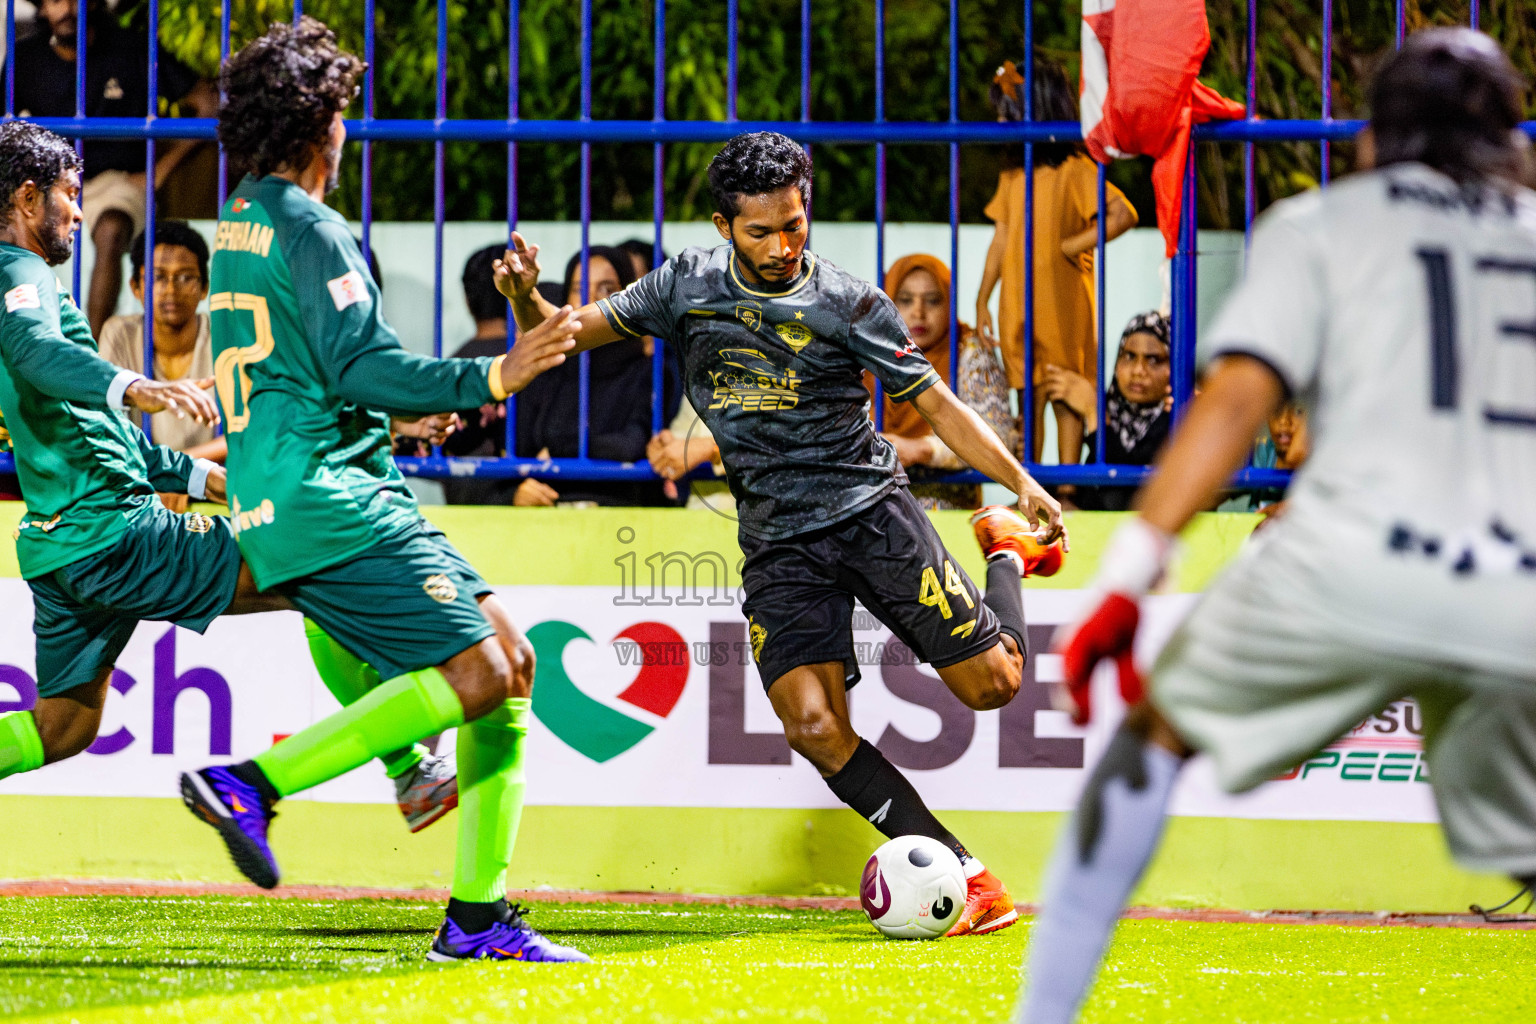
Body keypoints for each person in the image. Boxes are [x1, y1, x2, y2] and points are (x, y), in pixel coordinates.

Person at [1019, 30, 1536, 1023]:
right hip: (1517, 589)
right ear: (1510, 138)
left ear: (1375, 142)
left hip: (1349, 563)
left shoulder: (1323, 225)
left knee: (1146, 748)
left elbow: (1234, 400)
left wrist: (1129, 570)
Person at [497, 131, 1068, 937]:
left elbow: (938, 403)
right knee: (813, 727)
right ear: (725, 225)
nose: (781, 246)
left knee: (993, 686)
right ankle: (963, 873)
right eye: (761, 231)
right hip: (779, 542)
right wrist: (526, 299)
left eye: (795, 225)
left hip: (874, 516)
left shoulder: (849, 303)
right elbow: (563, 333)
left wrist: (1023, 483)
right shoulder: (685, 285)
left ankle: (1004, 547)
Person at [179, 18, 589, 963]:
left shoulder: (242, 214)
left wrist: (398, 414)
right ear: (323, 122)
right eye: (342, 111)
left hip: (290, 487)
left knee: (510, 672)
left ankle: (477, 918)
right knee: (485, 671)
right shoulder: (314, 228)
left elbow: (305, 370)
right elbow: (364, 361)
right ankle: (253, 783)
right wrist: (490, 374)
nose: (347, 128)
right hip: (334, 499)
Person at [0, 122, 460, 837]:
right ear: (27, 199)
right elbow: (35, 354)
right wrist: (133, 386)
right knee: (305, 563)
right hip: (114, 531)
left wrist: (196, 473)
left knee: (61, 728)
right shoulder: (19, 275)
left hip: (62, 545)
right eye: (67, 195)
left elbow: (83, 430)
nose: (80, 211)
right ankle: (409, 765)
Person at [11, 0, 220, 337]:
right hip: (52, 181)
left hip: (118, 181)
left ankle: (88, 350)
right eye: (54, 0)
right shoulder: (25, 57)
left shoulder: (131, 48)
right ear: (42, 9)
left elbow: (209, 104)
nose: (66, 9)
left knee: (111, 228)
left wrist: (159, 171)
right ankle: (25, 343)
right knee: (13, 235)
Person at [975, 58, 1137, 471]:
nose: (998, 120)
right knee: (1027, 397)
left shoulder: (1076, 169)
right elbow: (1001, 236)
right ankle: (1030, 482)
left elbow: (1123, 214)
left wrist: (1072, 245)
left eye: (1007, 112)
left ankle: (1068, 484)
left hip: (1064, 303)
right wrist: (982, 299)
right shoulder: (1012, 177)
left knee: (1064, 390)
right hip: (1019, 306)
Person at [505, 247, 672, 507]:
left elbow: (632, 446)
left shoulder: (651, 370)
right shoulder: (547, 368)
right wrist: (515, 495)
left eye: (607, 290)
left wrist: (556, 449)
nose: (591, 300)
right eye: (578, 288)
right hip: (546, 520)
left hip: (626, 519)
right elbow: (513, 453)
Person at [867, 253, 1017, 510]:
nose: (919, 312)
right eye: (905, 300)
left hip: (946, 507)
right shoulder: (868, 350)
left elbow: (997, 437)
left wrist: (921, 450)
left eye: (933, 301)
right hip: (872, 503)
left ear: (949, 303)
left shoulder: (968, 350)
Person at [99, 221, 224, 463]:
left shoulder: (222, 335)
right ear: (136, 286)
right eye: (158, 277)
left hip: (210, 480)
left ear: (204, 288)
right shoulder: (120, 334)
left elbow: (248, 430)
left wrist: (183, 472)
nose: (171, 289)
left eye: (186, 277)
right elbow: (107, 428)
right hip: (143, 481)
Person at [1037, 310, 1172, 511]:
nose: (1138, 370)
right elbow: (1088, 485)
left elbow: (1127, 489)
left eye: (1153, 360)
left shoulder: (1178, 418)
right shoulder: (1112, 406)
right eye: (1129, 356)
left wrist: (1094, 414)